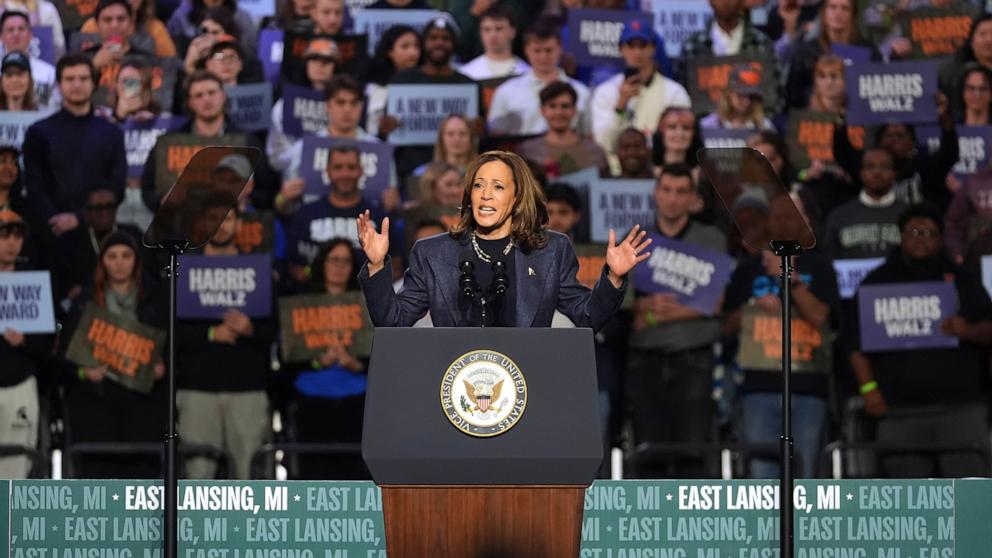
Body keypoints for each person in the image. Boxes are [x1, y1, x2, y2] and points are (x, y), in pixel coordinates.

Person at [356, 150, 652, 330]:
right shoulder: (432, 252)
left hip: (526, 383)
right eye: (478, 185)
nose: (485, 194)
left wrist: (614, 276)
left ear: (517, 196)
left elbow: (587, 317)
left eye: (497, 186)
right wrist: (377, 263)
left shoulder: (550, 250)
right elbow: (392, 321)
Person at [849, 204, 992, 478]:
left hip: (960, 411)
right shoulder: (876, 282)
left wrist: (968, 330)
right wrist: (868, 389)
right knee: (907, 510)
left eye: (929, 232)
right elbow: (854, 344)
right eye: (914, 231)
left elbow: (989, 329)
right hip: (899, 414)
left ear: (940, 238)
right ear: (901, 236)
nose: (920, 238)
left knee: (970, 504)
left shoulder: (963, 280)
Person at [723, 195, 841, 478]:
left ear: (807, 222)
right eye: (778, 215)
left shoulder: (821, 266)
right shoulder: (749, 269)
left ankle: (802, 525)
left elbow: (822, 317)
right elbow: (725, 326)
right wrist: (751, 306)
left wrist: (790, 278)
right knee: (762, 476)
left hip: (808, 387)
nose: (785, 221)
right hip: (758, 388)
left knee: (805, 473)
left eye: (793, 215)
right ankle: (764, 525)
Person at [627, 164, 726, 478]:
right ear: (656, 193)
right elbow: (623, 302)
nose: (672, 199)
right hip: (645, 358)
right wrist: (684, 302)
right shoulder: (636, 238)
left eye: (681, 192)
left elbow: (715, 301)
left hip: (694, 357)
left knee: (694, 453)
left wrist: (654, 311)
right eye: (666, 190)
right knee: (648, 453)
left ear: (692, 198)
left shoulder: (711, 238)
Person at [175, 208, 274, 479]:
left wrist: (250, 329)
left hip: (247, 388)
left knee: (248, 479)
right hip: (197, 388)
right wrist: (210, 334)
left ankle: (248, 525)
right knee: (197, 479)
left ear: (239, 224)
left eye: (227, 218)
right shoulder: (183, 271)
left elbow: (277, 333)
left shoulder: (259, 271)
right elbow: (170, 334)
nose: (219, 225)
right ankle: (195, 525)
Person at [60, 231, 167, 478]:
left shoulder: (156, 301)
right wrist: (82, 372)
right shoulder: (84, 304)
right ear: (102, 262)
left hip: (143, 411)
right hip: (96, 410)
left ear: (136, 261)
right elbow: (61, 359)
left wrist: (164, 368)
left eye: (126, 256)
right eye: (112, 256)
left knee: (140, 486)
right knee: (99, 485)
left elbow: (174, 350)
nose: (119, 263)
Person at [289, 238, 368, 479]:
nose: (339, 266)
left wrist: (356, 364)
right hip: (312, 404)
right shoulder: (300, 304)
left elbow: (382, 356)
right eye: (334, 259)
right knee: (313, 477)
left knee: (353, 477)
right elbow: (288, 359)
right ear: (322, 263)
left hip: (356, 403)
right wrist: (317, 362)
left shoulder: (367, 305)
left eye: (345, 261)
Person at [142, 71, 275, 213]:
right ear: (190, 103)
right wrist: (164, 201)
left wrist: (248, 197)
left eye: (212, 92)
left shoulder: (248, 142)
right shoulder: (169, 143)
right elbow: (148, 190)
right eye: (199, 95)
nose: (206, 99)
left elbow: (268, 192)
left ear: (223, 96)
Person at [23, 54, 126, 237]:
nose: (77, 85)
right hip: (50, 233)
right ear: (59, 85)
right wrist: (54, 218)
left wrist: (80, 218)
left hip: (98, 233)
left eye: (83, 79)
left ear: (94, 83)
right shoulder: (39, 132)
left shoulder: (112, 133)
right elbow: (34, 186)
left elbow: (116, 187)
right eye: (70, 79)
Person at [591, 20, 690, 171]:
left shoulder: (674, 92)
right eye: (631, 46)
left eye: (643, 46)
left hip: (660, 172)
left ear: (654, 48)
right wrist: (620, 107)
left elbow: (682, 141)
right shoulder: (606, 92)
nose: (637, 52)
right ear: (621, 49)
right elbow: (603, 144)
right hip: (615, 175)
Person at [287, 144, 388, 286]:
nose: (345, 174)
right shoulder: (305, 214)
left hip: (366, 300)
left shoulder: (378, 215)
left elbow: (393, 267)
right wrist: (314, 272)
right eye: (338, 167)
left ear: (361, 171)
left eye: (351, 167)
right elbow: (294, 268)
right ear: (327, 171)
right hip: (314, 299)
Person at [0, 209, 53, 478]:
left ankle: (9, 520)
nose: (11, 243)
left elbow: (47, 347)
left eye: (17, 236)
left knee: (18, 464)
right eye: (4, 236)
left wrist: (25, 341)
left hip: (21, 382)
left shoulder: (34, 282)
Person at [487, 17, 590, 138]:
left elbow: (587, 136)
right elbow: (496, 136)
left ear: (560, 49)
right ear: (526, 50)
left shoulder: (581, 92)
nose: (543, 57)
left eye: (548, 50)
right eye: (537, 51)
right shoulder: (506, 91)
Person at [267, 37, 337, 174]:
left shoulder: (345, 105)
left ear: (336, 67)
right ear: (305, 64)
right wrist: (308, 146)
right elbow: (276, 159)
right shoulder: (284, 105)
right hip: (295, 178)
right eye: (314, 59)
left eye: (327, 60)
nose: (320, 65)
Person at [823, 148, 906, 260]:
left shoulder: (909, 214)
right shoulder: (839, 216)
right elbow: (829, 262)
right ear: (861, 173)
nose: (877, 172)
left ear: (894, 173)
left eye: (884, 166)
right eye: (870, 167)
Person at [517, 81, 608, 178]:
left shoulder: (595, 151)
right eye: (552, 106)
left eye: (565, 106)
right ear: (542, 111)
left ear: (574, 111)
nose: (559, 112)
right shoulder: (527, 151)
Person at [364, 25, 420, 137]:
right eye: (405, 47)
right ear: (389, 52)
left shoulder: (425, 82)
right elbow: (371, 127)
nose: (413, 52)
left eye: (417, 46)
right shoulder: (375, 86)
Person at [80, 0, 177, 57]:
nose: (114, 25)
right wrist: (95, 64)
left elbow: (169, 66)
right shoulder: (91, 27)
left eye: (121, 19)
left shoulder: (155, 29)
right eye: (108, 20)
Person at [0, 11, 57, 108]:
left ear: (30, 34)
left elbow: (45, 106)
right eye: (10, 30)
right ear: (1, 37)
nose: (16, 34)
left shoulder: (47, 72)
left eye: (21, 29)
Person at [167, 0, 258, 60]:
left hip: (235, 70)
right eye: (206, 31)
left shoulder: (242, 16)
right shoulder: (182, 17)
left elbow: (250, 54)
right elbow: (175, 57)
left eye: (215, 32)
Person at [457, 5, 529, 81]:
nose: (493, 35)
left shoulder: (526, 72)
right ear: (480, 33)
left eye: (499, 29)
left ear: (512, 32)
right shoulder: (467, 73)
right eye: (487, 29)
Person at [699, 64, 775, 131]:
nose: (747, 102)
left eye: (752, 97)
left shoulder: (764, 126)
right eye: (741, 95)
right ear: (729, 94)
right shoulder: (709, 126)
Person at [411, 114, 478, 178]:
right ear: (441, 139)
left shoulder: (484, 172)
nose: (457, 138)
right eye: (450, 134)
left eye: (463, 133)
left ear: (471, 139)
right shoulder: (422, 174)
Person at [95, 60, 161, 123]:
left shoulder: (160, 119)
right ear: (116, 85)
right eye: (124, 81)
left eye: (134, 82)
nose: (129, 88)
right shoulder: (101, 116)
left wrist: (152, 124)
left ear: (145, 87)